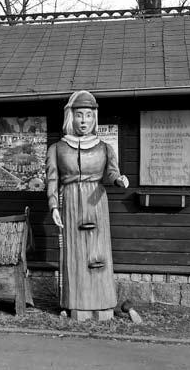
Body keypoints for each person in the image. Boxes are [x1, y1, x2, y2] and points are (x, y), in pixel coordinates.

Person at [46, 90, 129, 321]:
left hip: (96, 202)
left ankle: (102, 303)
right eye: (80, 115)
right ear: (71, 117)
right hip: (70, 203)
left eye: (89, 115)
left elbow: (111, 172)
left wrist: (118, 180)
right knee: (75, 254)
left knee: (97, 254)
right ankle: (76, 303)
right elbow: (52, 179)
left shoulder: (104, 147)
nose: (84, 120)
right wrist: (53, 206)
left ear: (95, 118)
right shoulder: (58, 148)